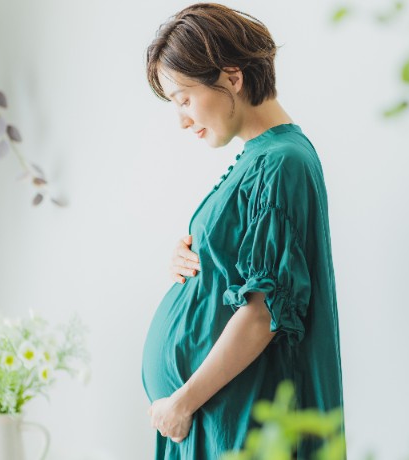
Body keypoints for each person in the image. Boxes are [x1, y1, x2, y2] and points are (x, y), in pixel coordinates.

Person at [141, 3, 345, 458]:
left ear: (232, 78)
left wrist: (183, 400)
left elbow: (263, 313)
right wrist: (194, 261)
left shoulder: (281, 162)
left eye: (184, 99)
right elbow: (242, 269)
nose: (182, 119)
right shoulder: (263, 158)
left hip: (236, 417)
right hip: (216, 416)